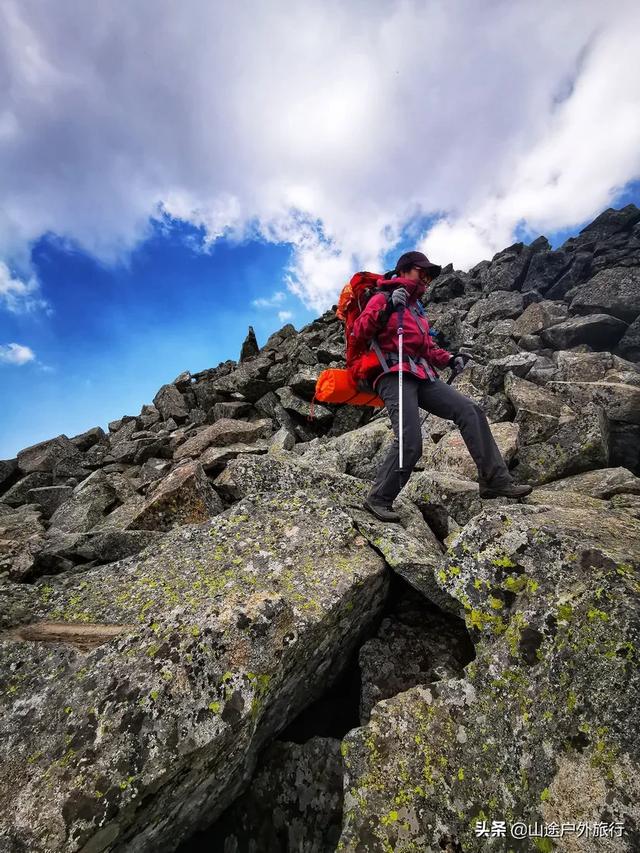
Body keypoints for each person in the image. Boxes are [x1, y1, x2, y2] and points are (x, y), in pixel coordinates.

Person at [352, 251, 533, 522]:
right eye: (420, 272)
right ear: (402, 271)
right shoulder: (383, 297)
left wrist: (449, 359)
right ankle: (379, 498)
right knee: (411, 441)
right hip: (392, 373)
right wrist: (388, 307)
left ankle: (495, 480)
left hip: (422, 375)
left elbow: (427, 348)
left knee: (470, 410)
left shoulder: (416, 309)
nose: (425, 278)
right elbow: (359, 333)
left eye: (428, 275)